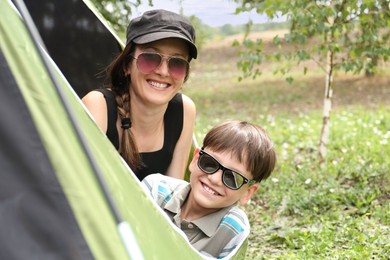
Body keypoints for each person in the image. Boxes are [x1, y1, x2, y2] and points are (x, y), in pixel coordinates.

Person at [82, 9, 197, 180]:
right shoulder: (99, 107)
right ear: (127, 65)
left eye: (177, 63)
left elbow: (171, 195)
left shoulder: (184, 110)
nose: (163, 72)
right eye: (150, 58)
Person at [141, 120, 277, 258]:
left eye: (232, 177)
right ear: (195, 160)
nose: (214, 179)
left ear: (248, 192)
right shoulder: (155, 191)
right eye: (209, 163)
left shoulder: (233, 231)